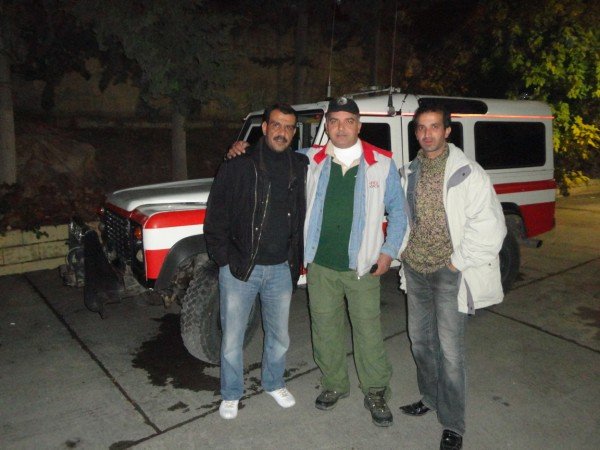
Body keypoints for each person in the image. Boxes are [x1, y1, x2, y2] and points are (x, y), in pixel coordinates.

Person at [228, 96, 407, 427]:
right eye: (334, 121)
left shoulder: (382, 163)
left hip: (363, 266)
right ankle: (334, 384)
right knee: (324, 329)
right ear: (327, 125)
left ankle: (376, 390)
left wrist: (388, 252)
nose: (341, 128)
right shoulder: (310, 159)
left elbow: (398, 212)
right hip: (320, 265)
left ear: (359, 125)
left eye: (348, 121)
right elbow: (273, 152)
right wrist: (244, 148)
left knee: (368, 331)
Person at [398, 103, 506, 449]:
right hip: (415, 269)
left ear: (447, 131)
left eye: (434, 127)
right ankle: (430, 398)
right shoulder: (409, 171)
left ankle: (454, 424)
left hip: (448, 272)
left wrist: (456, 263)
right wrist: (402, 253)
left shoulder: (468, 172)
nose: (427, 133)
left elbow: (491, 226)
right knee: (420, 342)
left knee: (450, 351)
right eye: (421, 127)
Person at [204, 103, 308, 420]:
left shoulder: (300, 165)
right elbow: (215, 215)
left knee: (279, 336)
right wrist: (224, 259)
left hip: (281, 268)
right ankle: (231, 393)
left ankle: (274, 382)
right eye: (276, 125)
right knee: (232, 338)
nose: (282, 132)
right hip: (241, 268)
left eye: (289, 127)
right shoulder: (239, 164)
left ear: (294, 132)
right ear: (264, 128)